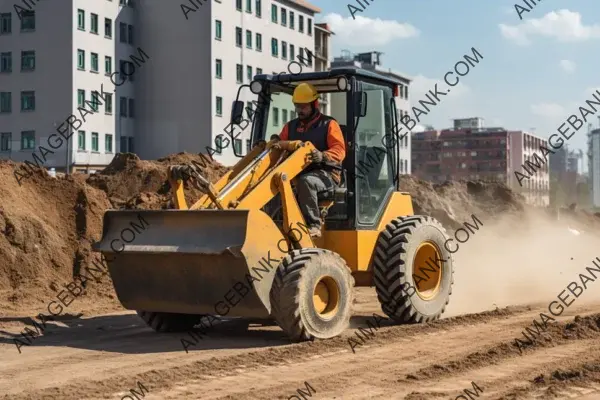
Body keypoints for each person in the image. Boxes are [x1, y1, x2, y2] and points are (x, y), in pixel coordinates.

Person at [273, 82, 346, 238]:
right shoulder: (290, 127)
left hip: (327, 176)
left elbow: (339, 151)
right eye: (297, 106)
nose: (299, 110)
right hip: (296, 174)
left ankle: (314, 224)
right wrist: (274, 143)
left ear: (314, 104)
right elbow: (280, 144)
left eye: (303, 107)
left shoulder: (329, 124)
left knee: (307, 181)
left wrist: (323, 156)